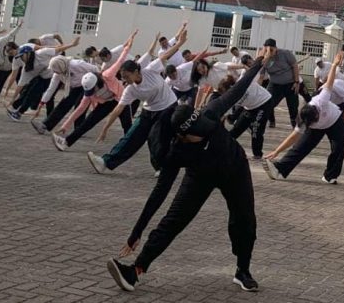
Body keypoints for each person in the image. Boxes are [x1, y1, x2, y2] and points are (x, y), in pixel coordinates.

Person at [106, 47, 272, 294]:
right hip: (200, 177)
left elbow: (240, 87)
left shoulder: (210, 112)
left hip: (234, 168)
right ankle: (136, 270)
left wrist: (259, 61)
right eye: (199, 134)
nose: (205, 132)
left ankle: (242, 270)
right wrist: (136, 231)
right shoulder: (176, 153)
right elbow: (159, 194)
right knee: (173, 221)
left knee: (244, 220)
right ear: (183, 136)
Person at [86, 29, 187, 174]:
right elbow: (118, 109)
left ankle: (162, 167)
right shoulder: (130, 89)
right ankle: (105, 162)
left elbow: (165, 55)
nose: (125, 80)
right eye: (123, 77)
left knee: (156, 137)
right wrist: (105, 128)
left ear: (136, 72)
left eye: (126, 76)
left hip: (168, 106)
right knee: (131, 136)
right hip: (149, 110)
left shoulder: (150, 70)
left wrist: (181, 43)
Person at [262, 50, 344, 184]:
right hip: (317, 127)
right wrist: (276, 151)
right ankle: (279, 169)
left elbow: (330, 82)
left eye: (315, 120)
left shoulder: (322, 100)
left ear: (317, 113)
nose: (315, 122)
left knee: (340, 146)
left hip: (334, 120)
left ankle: (330, 176)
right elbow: (293, 137)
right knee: (301, 147)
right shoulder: (303, 119)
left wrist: (334, 65)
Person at [224, 61, 276, 160]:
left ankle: (257, 154)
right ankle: (223, 148)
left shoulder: (244, 81)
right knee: (237, 129)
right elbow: (225, 111)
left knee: (257, 129)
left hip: (264, 103)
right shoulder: (230, 97)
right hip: (250, 108)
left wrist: (244, 65)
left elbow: (251, 70)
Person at [261, 38, 301, 128]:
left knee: (293, 106)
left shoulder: (285, 53)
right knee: (267, 102)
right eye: (267, 49)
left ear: (276, 48)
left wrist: (296, 81)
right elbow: (261, 75)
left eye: (271, 49)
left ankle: (294, 124)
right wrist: (266, 57)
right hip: (275, 84)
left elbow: (295, 66)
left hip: (290, 83)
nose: (270, 52)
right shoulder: (263, 58)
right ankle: (271, 120)